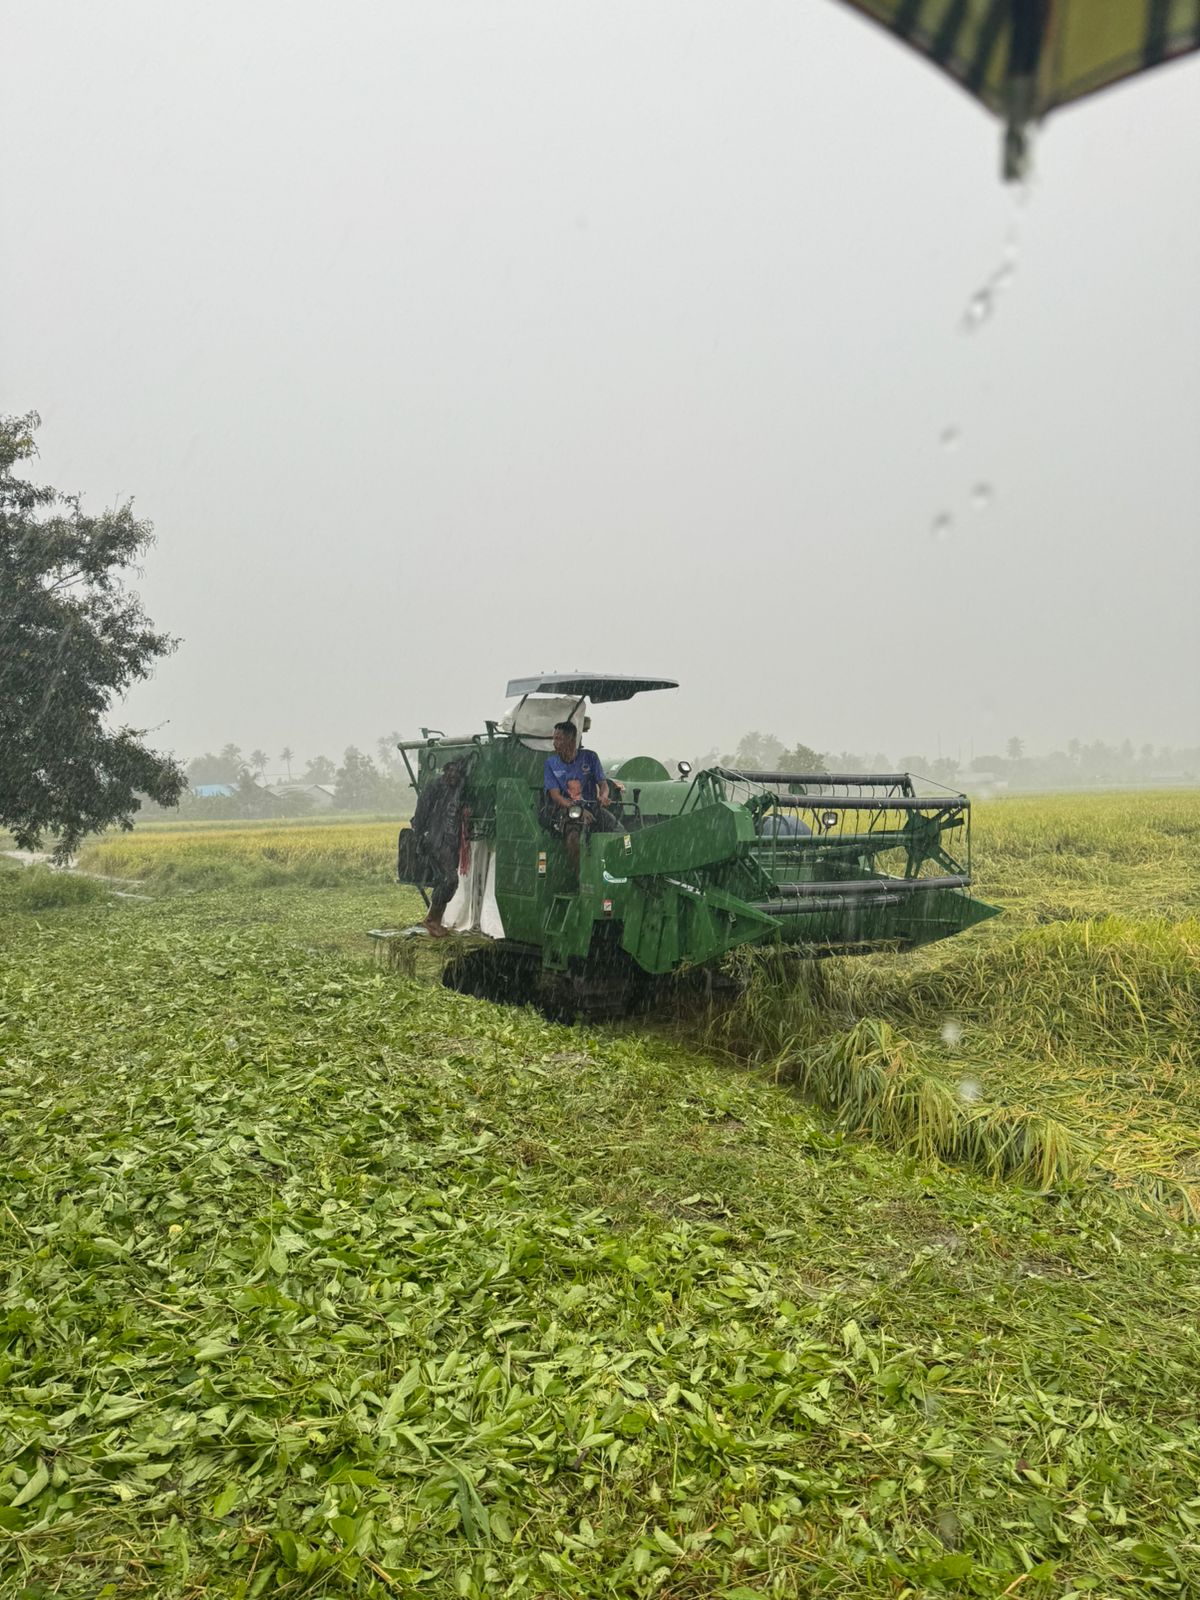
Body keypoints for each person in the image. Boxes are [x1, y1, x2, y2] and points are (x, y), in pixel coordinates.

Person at [543, 721, 619, 874]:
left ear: (571, 739)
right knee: (574, 839)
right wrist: (578, 809)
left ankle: (621, 871)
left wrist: (603, 796)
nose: (554, 743)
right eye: (554, 738)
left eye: (559, 739)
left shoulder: (590, 757)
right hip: (565, 811)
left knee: (620, 833)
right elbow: (556, 796)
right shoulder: (551, 763)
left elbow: (603, 785)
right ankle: (581, 877)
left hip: (592, 807)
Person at [410, 759, 465, 936]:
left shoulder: (457, 789)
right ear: (445, 770)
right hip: (436, 839)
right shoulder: (434, 787)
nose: (453, 775)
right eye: (451, 771)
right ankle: (432, 920)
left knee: (446, 880)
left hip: (448, 840)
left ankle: (434, 920)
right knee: (450, 880)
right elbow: (420, 813)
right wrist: (420, 835)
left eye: (457, 772)